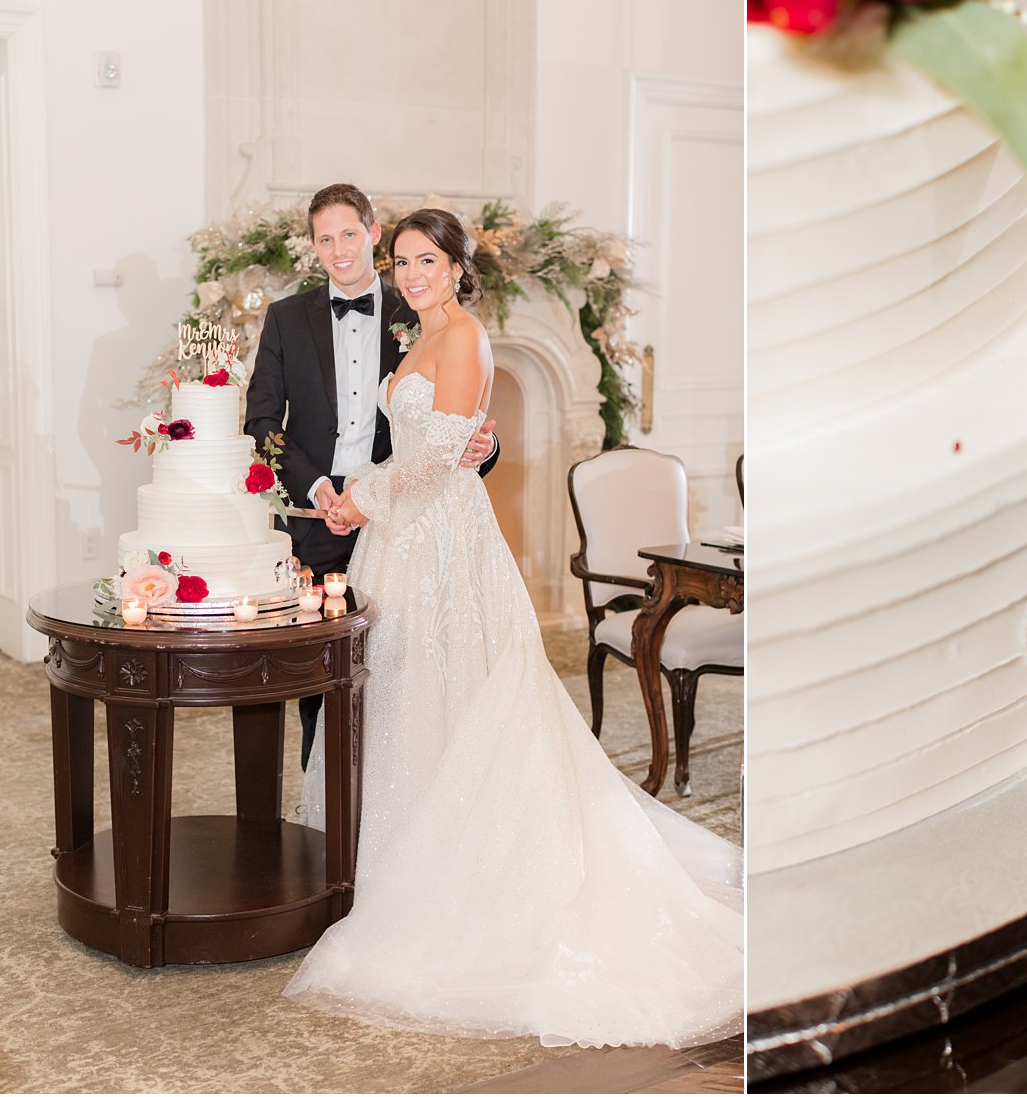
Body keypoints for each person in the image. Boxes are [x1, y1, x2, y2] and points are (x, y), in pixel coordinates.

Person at [282, 208, 742, 1048]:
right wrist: (374, 499)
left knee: (449, 692)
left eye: (427, 260)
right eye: (403, 261)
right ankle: (377, 862)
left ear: (459, 267)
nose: (412, 273)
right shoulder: (414, 336)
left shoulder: (462, 337)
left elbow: (436, 458)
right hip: (400, 543)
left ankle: (450, 876)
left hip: (444, 541)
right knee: (399, 692)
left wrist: (363, 498)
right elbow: (435, 442)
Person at [245, 184, 499, 771]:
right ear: (312, 246)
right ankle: (326, 815)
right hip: (318, 516)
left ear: (373, 233)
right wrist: (314, 487)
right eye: (325, 238)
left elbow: (454, 421)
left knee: (412, 670)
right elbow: (262, 422)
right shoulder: (285, 318)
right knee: (320, 675)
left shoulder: (419, 308)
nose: (339, 250)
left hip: (406, 513)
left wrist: (485, 442)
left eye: (349, 234)